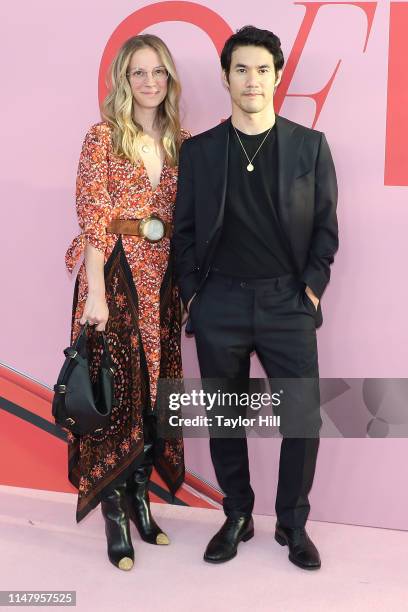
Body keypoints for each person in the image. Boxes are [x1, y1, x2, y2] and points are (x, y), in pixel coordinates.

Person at [173, 25, 338, 569]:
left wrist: (311, 289)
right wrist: (194, 297)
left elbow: (325, 229)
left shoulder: (309, 146)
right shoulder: (200, 151)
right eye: (241, 69)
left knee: (301, 418)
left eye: (262, 69)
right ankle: (237, 514)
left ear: (277, 75)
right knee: (225, 416)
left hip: (287, 302)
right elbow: (185, 232)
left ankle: (292, 524)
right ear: (226, 78)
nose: (252, 80)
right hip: (219, 300)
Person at [65, 34, 190, 571]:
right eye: (138, 72)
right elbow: (93, 213)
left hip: (162, 279)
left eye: (158, 71)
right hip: (113, 272)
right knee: (113, 392)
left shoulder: (183, 142)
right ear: (123, 79)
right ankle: (113, 512)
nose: (149, 82)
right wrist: (95, 290)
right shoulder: (103, 137)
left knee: (151, 391)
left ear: (170, 78)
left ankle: (140, 495)